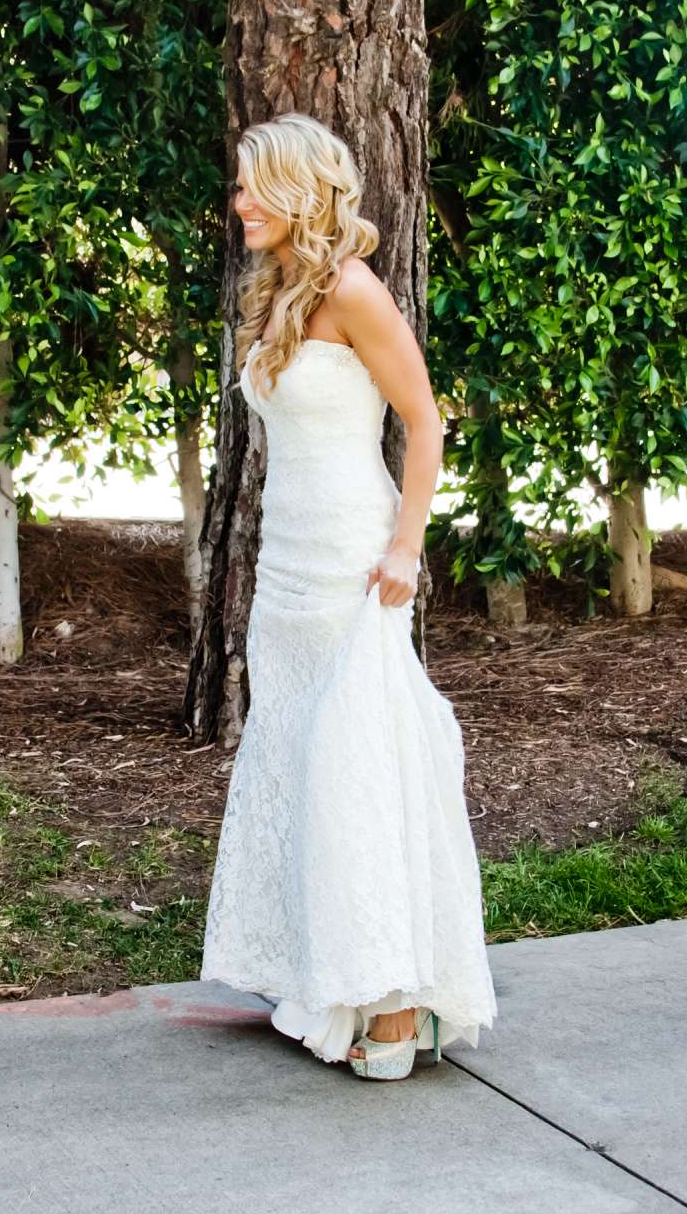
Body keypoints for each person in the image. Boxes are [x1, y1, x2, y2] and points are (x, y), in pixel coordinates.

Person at [198, 112, 498, 1080]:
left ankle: (398, 1001)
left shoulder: (355, 291)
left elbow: (424, 419)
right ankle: (327, 971)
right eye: (239, 186)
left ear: (298, 191)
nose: (238, 202)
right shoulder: (281, 292)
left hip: (355, 558)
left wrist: (407, 546)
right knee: (299, 751)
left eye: (252, 187)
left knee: (362, 753)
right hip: (288, 561)